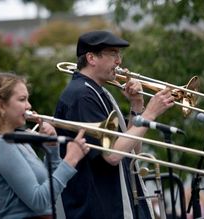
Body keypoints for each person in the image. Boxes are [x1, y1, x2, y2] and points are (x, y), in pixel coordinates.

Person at [54, 30, 175, 219]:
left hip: (118, 203)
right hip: (100, 209)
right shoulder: (82, 96)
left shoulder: (98, 92)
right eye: (113, 53)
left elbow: (131, 149)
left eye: (119, 54)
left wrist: (137, 106)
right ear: (91, 58)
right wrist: (150, 114)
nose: (119, 61)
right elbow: (112, 155)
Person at [0, 72, 90, 219]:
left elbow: (50, 195)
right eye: (22, 99)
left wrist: (52, 149)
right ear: (1, 105)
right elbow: (39, 201)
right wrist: (70, 161)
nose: (29, 105)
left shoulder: (18, 140)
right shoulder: (1, 145)